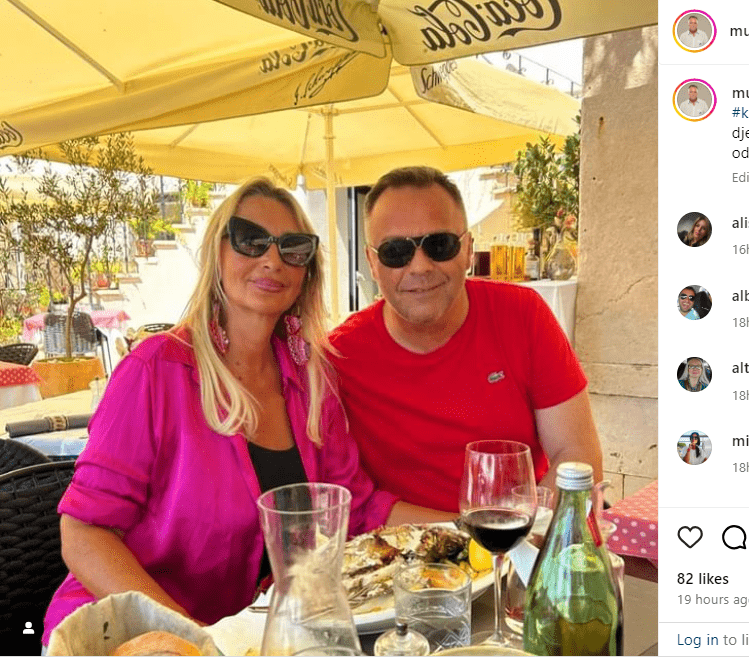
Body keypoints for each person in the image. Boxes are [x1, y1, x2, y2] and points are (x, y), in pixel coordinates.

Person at [43, 178, 449, 646]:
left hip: (245, 635)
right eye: (250, 240)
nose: (273, 259)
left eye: (293, 248)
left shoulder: (312, 380)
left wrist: (467, 525)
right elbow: (84, 532)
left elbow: (355, 509)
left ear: (307, 272)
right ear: (217, 253)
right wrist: (190, 637)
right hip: (122, 635)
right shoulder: (155, 370)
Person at [328, 166, 603, 512]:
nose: (420, 267)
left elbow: (577, 455)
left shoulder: (522, 315)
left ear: (468, 249)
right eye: (395, 252)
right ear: (372, 262)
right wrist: (463, 537)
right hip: (405, 542)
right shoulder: (339, 355)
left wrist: (516, 534)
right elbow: (347, 498)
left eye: (439, 245)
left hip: (519, 531)